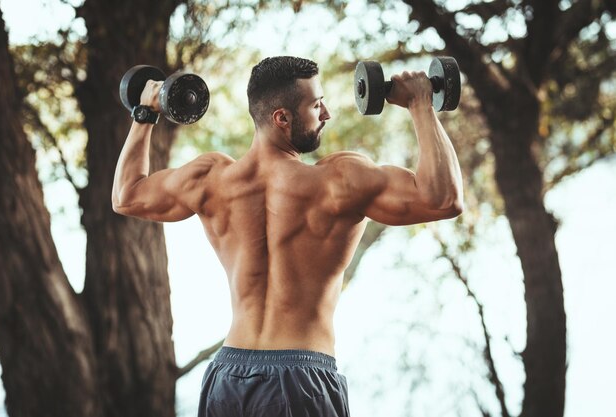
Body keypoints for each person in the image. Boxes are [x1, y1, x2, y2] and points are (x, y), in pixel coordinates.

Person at [112, 56, 463, 417]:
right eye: (315, 105)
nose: (325, 114)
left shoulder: (210, 179)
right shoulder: (338, 182)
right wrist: (421, 105)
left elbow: (127, 195)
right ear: (282, 118)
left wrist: (145, 111)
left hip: (228, 377)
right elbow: (444, 198)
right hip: (301, 380)